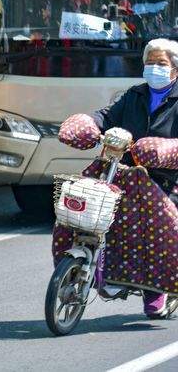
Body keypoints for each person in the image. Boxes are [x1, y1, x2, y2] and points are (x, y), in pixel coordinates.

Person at [57, 39, 178, 318]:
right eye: (150, 63)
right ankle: (103, 268)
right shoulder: (135, 95)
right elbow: (107, 117)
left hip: (167, 177)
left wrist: (164, 150)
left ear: (175, 69)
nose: (154, 68)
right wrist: (89, 124)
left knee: (157, 224)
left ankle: (155, 289)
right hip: (125, 172)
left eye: (161, 63)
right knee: (93, 206)